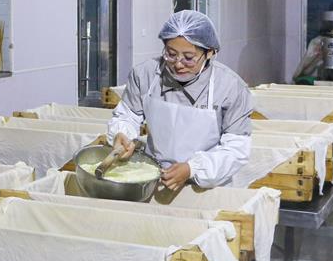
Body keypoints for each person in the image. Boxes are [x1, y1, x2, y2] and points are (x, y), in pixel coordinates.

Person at [108, 10, 253, 191]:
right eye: (171, 54)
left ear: (210, 52)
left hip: (207, 186)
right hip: (153, 176)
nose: (178, 63)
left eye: (189, 58)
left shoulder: (231, 87)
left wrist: (193, 168)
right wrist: (122, 134)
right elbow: (127, 116)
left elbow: (236, 150)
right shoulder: (145, 74)